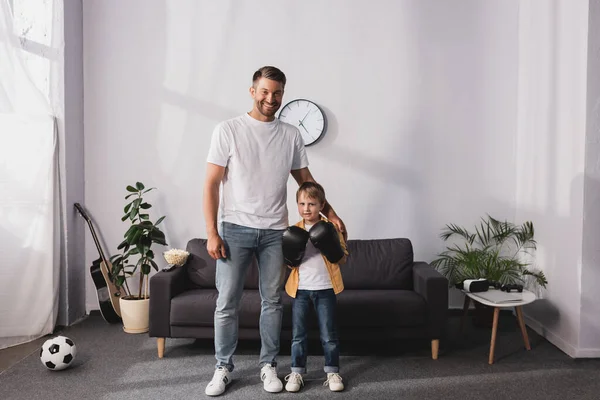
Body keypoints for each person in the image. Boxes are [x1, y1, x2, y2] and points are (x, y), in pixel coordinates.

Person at [202, 66, 347, 396]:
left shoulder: (290, 135)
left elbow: (306, 182)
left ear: (283, 94)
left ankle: (268, 365)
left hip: (275, 232)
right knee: (227, 303)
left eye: (277, 93)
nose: (271, 98)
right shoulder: (228, 129)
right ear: (252, 91)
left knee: (273, 302)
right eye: (265, 91)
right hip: (234, 229)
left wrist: (332, 214)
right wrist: (212, 231)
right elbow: (210, 184)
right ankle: (222, 367)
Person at [282, 181, 348, 393]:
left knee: (329, 334)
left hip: (326, 288)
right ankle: (297, 372)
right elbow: (289, 264)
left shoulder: (331, 228)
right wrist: (292, 255)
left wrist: (332, 248)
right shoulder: (294, 230)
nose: (306, 209)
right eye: (302, 204)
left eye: (311, 203)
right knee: (298, 335)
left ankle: (332, 371)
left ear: (321, 205)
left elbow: (343, 259)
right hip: (300, 290)